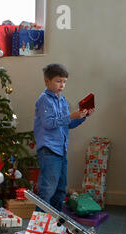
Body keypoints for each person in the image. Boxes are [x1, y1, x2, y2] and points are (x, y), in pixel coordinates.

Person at [34, 63, 95, 212]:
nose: (62, 85)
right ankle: (39, 224)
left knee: (61, 189)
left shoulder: (62, 100)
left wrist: (82, 117)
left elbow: (67, 124)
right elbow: (49, 123)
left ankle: (55, 223)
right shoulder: (44, 100)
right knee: (47, 189)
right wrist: (71, 115)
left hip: (61, 150)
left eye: (64, 81)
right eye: (58, 81)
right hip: (49, 149)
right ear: (47, 81)